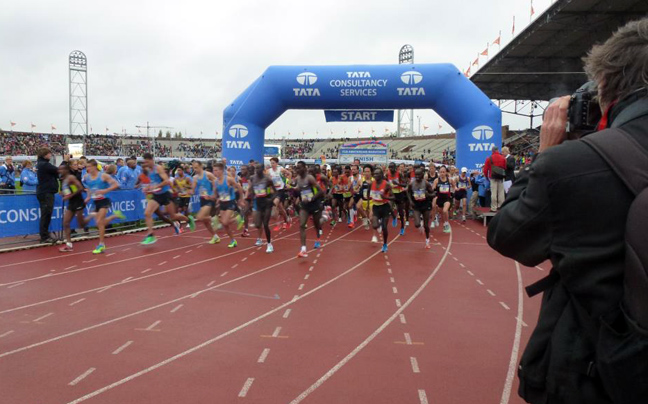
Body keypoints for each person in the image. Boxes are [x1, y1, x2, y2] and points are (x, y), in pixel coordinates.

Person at [488, 19, 648, 404]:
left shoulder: (573, 164)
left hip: (597, 369)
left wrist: (547, 151)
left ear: (605, 85)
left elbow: (508, 234)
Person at [141, 153, 195, 245]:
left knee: (173, 216)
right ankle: (151, 235)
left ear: (152, 160)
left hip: (165, 194)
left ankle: (188, 220)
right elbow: (153, 182)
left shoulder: (158, 168)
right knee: (147, 213)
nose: (146, 164)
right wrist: (148, 187)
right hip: (156, 195)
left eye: (147, 162)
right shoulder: (149, 170)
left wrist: (157, 186)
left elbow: (166, 181)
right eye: (144, 162)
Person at [83, 159, 124, 254]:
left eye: (89, 166)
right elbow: (89, 187)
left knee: (99, 222)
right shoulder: (86, 177)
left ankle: (101, 245)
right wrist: (88, 197)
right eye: (86, 167)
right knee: (99, 224)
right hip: (95, 201)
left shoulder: (103, 176)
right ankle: (115, 215)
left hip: (104, 200)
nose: (87, 168)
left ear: (94, 167)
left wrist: (105, 190)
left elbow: (116, 184)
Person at [58, 162, 94, 252]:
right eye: (59, 169)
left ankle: (92, 215)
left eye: (61, 169)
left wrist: (68, 196)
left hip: (78, 201)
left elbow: (80, 188)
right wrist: (63, 193)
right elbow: (71, 189)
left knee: (81, 225)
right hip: (71, 203)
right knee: (66, 223)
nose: (60, 171)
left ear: (66, 170)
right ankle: (69, 245)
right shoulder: (63, 179)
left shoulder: (71, 177)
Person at [295, 161, 325, 257]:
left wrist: (311, 198)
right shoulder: (298, 178)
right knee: (302, 225)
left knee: (316, 225)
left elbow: (320, 191)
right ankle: (303, 249)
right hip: (305, 205)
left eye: (299, 168)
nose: (298, 170)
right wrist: (293, 189)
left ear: (305, 168)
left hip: (314, 204)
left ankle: (318, 238)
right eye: (297, 168)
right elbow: (299, 189)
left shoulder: (310, 178)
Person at [213, 162, 244, 248]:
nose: (214, 172)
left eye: (216, 170)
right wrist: (215, 199)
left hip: (230, 202)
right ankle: (233, 240)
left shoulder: (228, 179)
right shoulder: (215, 181)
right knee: (225, 224)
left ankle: (238, 218)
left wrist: (241, 199)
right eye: (214, 170)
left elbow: (239, 187)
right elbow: (215, 194)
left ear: (221, 170)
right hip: (222, 203)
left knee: (225, 222)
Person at [248, 162, 276, 251]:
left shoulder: (267, 179)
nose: (257, 170)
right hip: (258, 202)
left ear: (262, 169)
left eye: (259, 168)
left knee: (266, 224)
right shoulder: (252, 178)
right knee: (257, 224)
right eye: (256, 168)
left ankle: (269, 244)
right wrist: (251, 201)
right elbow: (252, 190)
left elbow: (275, 191)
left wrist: (271, 199)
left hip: (267, 203)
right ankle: (261, 239)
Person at [190, 160, 219, 244]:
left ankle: (214, 219)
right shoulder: (195, 177)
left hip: (209, 199)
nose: (195, 169)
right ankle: (215, 236)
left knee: (199, 217)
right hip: (202, 199)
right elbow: (193, 190)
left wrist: (213, 194)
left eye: (196, 168)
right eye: (194, 168)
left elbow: (216, 183)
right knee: (205, 221)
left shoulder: (208, 174)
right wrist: (189, 191)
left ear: (201, 166)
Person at [35, 148, 59, 244]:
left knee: (47, 214)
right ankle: (44, 236)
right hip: (46, 192)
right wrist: (65, 162)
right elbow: (58, 170)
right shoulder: (44, 164)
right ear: (45, 155)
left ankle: (45, 234)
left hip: (45, 192)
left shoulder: (41, 164)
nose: (50, 155)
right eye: (49, 154)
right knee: (46, 214)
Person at [407, 168, 435, 248]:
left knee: (426, 225)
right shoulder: (411, 184)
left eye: (419, 175)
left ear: (422, 175)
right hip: (416, 206)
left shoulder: (426, 183)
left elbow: (433, 194)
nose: (417, 176)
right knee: (416, 224)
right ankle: (420, 225)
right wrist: (410, 201)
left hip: (425, 205)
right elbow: (408, 192)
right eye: (416, 175)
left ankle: (427, 240)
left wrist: (428, 195)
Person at [370, 167, 394, 253]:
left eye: (377, 174)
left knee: (384, 228)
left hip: (384, 207)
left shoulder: (387, 184)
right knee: (374, 225)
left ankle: (385, 244)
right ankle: (379, 223)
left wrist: (385, 197)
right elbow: (369, 193)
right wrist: (369, 202)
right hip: (375, 207)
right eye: (374, 174)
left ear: (381, 175)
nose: (375, 175)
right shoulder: (371, 183)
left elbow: (393, 197)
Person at [267, 157, 291, 230]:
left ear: (277, 163)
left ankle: (278, 224)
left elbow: (289, 174)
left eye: (273, 163)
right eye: (271, 163)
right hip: (273, 191)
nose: (272, 164)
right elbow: (267, 181)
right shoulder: (269, 171)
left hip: (280, 190)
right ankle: (287, 220)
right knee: (281, 208)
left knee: (275, 204)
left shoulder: (280, 169)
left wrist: (288, 183)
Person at [482, 146, 506, 212]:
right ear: (498, 150)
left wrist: (486, 177)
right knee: (501, 192)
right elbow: (505, 167)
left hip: (493, 177)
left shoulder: (489, 158)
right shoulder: (503, 158)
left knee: (493, 193)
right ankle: (501, 206)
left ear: (492, 151)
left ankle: (494, 207)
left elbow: (485, 170)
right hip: (501, 177)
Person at [432, 166, 454, 233]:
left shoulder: (449, 180)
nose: (442, 173)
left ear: (446, 173)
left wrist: (454, 190)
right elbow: (433, 188)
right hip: (439, 199)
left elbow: (454, 186)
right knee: (441, 212)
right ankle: (441, 221)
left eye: (443, 172)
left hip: (447, 198)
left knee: (445, 211)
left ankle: (446, 224)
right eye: (441, 172)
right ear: (439, 173)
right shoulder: (436, 180)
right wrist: (432, 190)